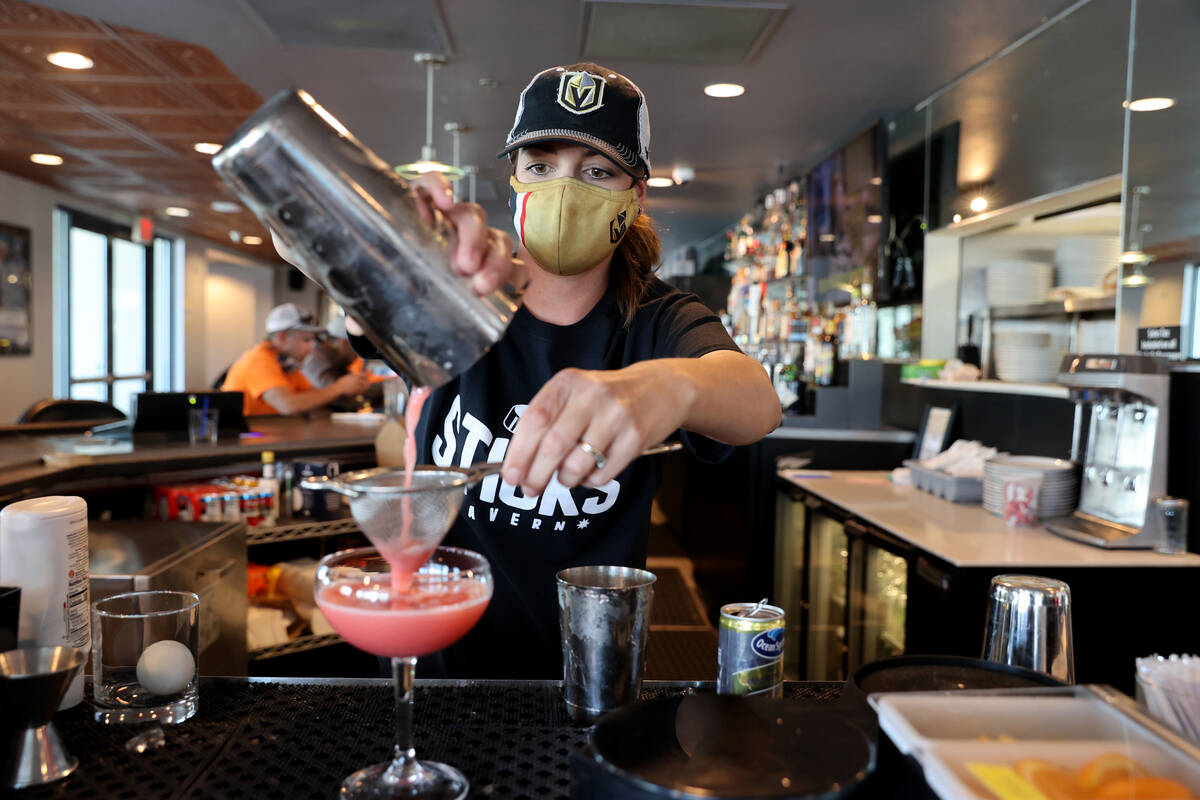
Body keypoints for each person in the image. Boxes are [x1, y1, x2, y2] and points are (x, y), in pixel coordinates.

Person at [314, 63, 781, 678]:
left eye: (596, 171)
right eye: (541, 165)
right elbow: (320, 261)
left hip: (587, 672)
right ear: (513, 182)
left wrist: (667, 384)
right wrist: (377, 241)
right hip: (439, 663)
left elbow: (755, 401)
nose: (566, 189)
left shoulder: (658, 321)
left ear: (635, 194)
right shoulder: (454, 296)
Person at [222, 303, 372, 416]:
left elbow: (312, 399)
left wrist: (349, 388)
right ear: (282, 337)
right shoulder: (259, 361)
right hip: (242, 442)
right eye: (306, 340)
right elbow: (289, 406)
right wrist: (340, 387)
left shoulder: (288, 363)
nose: (312, 348)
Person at [301, 315, 387, 409]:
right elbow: (338, 400)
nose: (360, 353)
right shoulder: (315, 359)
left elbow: (353, 389)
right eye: (358, 346)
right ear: (345, 343)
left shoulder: (336, 360)